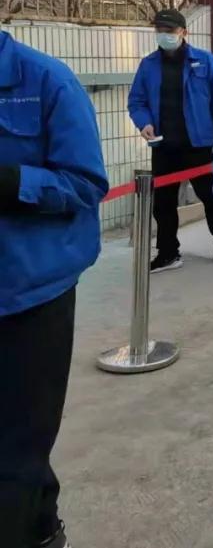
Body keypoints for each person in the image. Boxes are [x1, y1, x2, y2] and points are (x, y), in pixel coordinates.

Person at [0, 31, 109, 548]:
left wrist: (11, 182)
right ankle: (43, 529)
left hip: (31, 294)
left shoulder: (46, 81)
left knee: (16, 448)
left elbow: (85, 184)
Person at [128, 9, 213, 272]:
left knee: (212, 198)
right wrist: (144, 123)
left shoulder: (204, 61)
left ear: (184, 32)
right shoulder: (149, 65)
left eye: (170, 31)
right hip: (164, 147)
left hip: (201, 145)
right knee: (163, 204)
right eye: (159, 31)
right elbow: (137, 101)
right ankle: (168, 252)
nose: (164, 35)